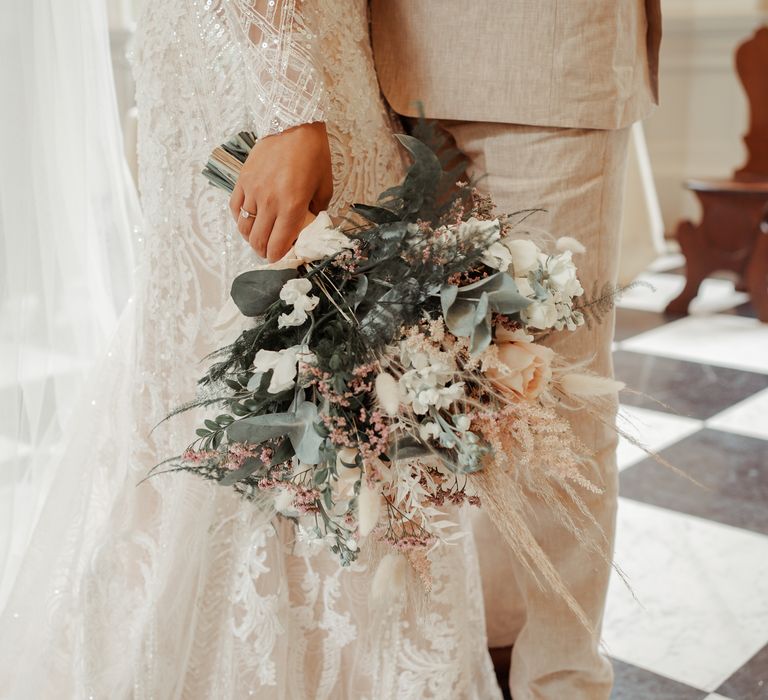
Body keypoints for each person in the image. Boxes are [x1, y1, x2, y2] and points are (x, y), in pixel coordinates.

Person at [0, 1, 501, 698]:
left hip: (275, 61)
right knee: (273, 350)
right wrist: (291, 107)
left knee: (278, 362)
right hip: (276, 73)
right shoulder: (289, 101)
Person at [369, 2, 662, 698]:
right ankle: (492, 632)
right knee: (433, 375)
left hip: (547, 50)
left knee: (556, 390)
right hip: (382, 55)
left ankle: (561, 675)